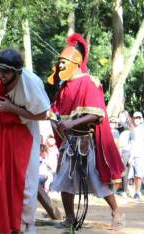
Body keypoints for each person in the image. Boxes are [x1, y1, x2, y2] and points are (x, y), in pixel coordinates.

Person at [48, 33, 125, 230]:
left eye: (65, 62)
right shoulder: (63, 87)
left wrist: (71, 125)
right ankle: (70, 218)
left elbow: (96, 114)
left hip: (86, 142)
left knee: (97, 179)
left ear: (76, 61)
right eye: (60, 62)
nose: (61, 65)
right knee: (65, 179)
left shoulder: (89, 82)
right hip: (69, 142)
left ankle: (117, 212)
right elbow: (55, 113)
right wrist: (55, 122)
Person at [0, 49, 50, 234]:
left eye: (6, 71)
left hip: (25, 130)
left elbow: (42, 114)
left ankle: (28, 223)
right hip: (3, 129)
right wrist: (1, 108)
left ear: (17, 72)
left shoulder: (31, 84)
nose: (1, 75)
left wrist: (12, 108)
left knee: (26, 179)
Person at [129, 111, 144, 199]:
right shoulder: (131, 129)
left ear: (141, 119)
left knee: (139, 175)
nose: (137, 119)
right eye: (135, 118)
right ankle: (129, 191)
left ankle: (137, 192)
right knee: (129, 175)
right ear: (133, 119)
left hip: (140, 155)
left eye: (139, 118)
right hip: (131, 154)